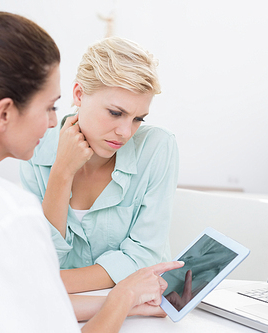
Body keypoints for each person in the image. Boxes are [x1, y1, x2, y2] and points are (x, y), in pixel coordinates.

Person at [0, 11, 183, 333]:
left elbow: (22, 298)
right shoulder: (7, 211)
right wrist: (122, 296)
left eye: (138, 118)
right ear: (5, 113)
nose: (54, 121)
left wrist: (115, 299)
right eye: (50, 107)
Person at [20, 36, 179, 293]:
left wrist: (52, 283)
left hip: (138, 309)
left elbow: (143, 256)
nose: (126, 132)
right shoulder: (36, 149)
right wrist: (61, 172)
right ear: (79, 94)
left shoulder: (158, 147)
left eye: (138, 118)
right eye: (116, 113)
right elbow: (42, 256)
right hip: (66, 310)